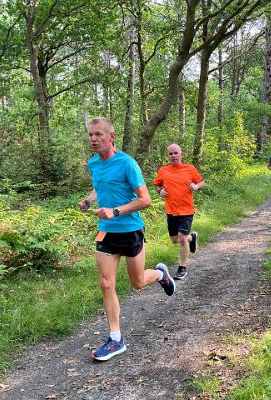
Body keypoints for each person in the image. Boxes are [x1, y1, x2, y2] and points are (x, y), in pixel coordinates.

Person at [78, 117, 175, 362]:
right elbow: (100, 185)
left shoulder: (127, 163)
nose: (93, 139)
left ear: (111, 137)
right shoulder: (93, 162)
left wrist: (116, 211)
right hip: (106, 232)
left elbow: (145, 200)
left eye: (98, 134)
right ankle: (115, 338)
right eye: (90, 135)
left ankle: (160, 275)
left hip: (130, 230)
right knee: (106, 283)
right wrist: (89, 200)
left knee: (138, 282)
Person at [153, 144, 205, 280]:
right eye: (170, 154)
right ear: (168, 156)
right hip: (171, 210)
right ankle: (191, 238)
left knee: (181, 238)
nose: (173, 156)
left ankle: (182, 268)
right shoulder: (163, 170)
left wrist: (196, 186)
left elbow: (202, 183)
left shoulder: (190, 168)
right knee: (175, 240)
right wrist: (160, 191)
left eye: (176, 153)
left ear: (181, 154)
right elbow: (156, 185)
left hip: (186, 210)